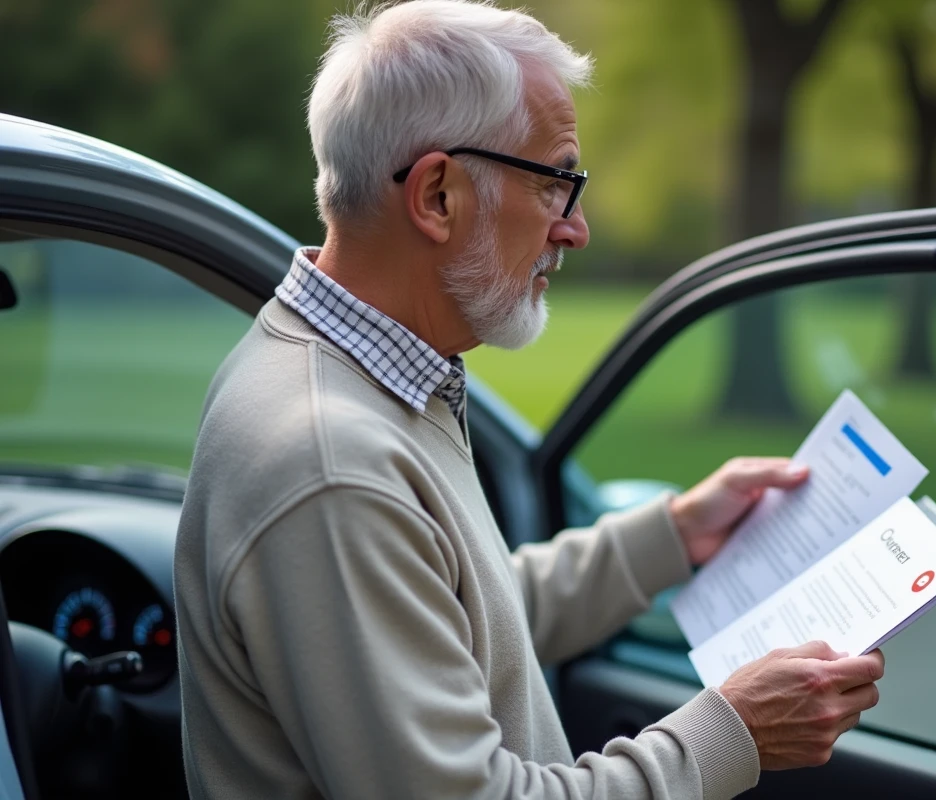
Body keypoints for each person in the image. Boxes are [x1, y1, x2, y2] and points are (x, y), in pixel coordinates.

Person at [173, 1, 884, 798]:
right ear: (438, 195)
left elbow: (456, 621)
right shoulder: (332, 465)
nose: (573, 229)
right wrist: (733, 733)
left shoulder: (353, 378)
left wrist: (674, 535)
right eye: (556, 184)